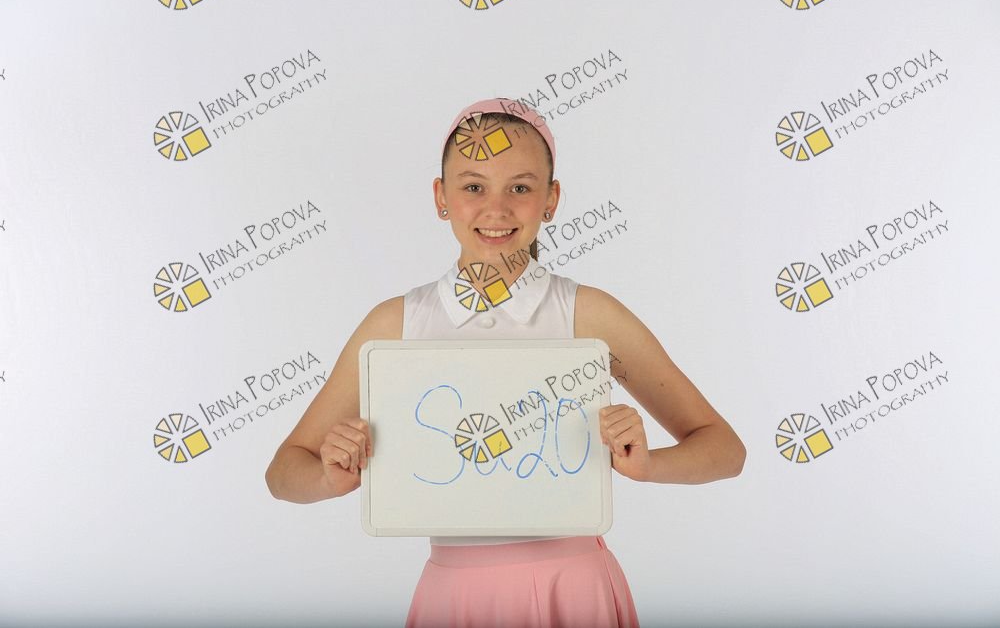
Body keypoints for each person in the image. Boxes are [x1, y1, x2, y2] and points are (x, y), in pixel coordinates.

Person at [265, 97, 747, 627]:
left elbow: (724, 449)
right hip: (454, 595)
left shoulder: (589, 315)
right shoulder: (396, 324)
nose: (496, 210)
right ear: (440, 197)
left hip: (575, 589)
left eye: (520, 188)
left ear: (551, 199)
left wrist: (648, 465)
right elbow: (285, 470)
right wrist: (328, 478)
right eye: (473, 187)